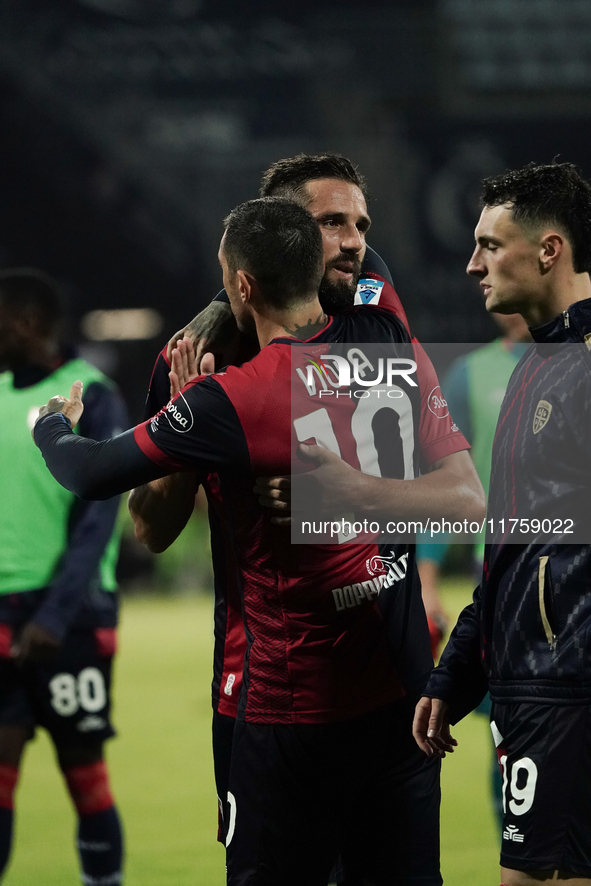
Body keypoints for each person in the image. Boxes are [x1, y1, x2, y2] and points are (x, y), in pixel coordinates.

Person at [33, 197, 480, 885]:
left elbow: (90, 473)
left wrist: (49, 424)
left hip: (289, 708)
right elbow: (468, 502)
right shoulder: (391, 342)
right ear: (317, 263)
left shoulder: (235, 396)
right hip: (394, 703)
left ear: (241, 285)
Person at [128, 152, 425, 850]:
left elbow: (443, 497)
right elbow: (149, 529)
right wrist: (182, 431)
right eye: (330, 224)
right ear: (281, 235)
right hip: (262, 689)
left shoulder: (375, 322)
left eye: (359, 224)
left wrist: (333, 489)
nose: (353, 241)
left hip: (390, 677)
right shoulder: (195, 360)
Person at [413, 161, 591, 886]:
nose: (471, 263)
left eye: (489, 244)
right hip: (536, 677)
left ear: (547, 249)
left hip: (565, 683)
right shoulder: (531, 368)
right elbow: (508, 547)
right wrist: (458, 668)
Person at [0, 269, 126, 884]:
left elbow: (96, 523)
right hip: (2, 617)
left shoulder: (92, 396)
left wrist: (54, 615)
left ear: (24, 323)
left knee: (85, 776)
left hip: (72, 619)